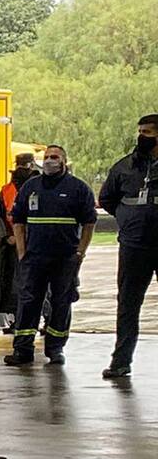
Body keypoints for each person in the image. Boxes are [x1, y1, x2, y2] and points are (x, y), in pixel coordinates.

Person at [3, 146, 97, 366]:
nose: (49, 161)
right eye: (46, 157)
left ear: (64, 160)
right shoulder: (31, 187)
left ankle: (55, 348)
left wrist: (80, 252)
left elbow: (89, 223)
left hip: (65, 258)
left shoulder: (78, 188)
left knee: (61, 302)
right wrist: (22, 252)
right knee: (28, 301)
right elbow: (18, 220)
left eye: (54, 157)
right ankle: (23, 349)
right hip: (34, 257)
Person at [99, 115, 158, 379]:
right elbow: (107, 199)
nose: (141, 136)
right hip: (135, 245)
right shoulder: (125, 167)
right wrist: (128, 219)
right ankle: (120, 361)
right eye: (140, 131)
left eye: (147, 132)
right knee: (128, 304)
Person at [0, 153, 39, 334]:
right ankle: (15, 320)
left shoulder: (39, 187)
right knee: (11, 284)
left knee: (34, 284)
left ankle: (40, 319)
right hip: (10, 246)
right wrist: (6, 238)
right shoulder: (5, 192)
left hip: (33, 245)